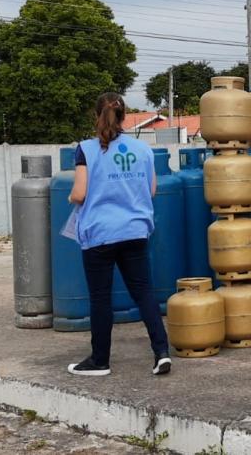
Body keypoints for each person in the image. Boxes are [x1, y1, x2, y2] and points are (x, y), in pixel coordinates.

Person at [66, 92, 171, 377]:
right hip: (135, 230)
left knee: (101, 298)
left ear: (96, 115)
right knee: (144, 293)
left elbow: (80, 193)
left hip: (100, 233)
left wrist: (70, 199)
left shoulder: (86, 149)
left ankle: (100, 360)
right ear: (125, 116)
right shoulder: (143, 150)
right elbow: (151, 191)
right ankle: (161, 352)